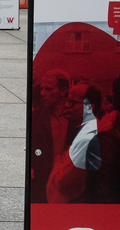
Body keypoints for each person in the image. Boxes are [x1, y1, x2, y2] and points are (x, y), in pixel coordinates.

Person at [30, 69, 81, 203]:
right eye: (42, 89)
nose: (42, 93)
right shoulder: (35, 118)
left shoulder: (75, 120)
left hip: (68, 189)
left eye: (48, 89)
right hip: (41, 187)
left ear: (63, 91)